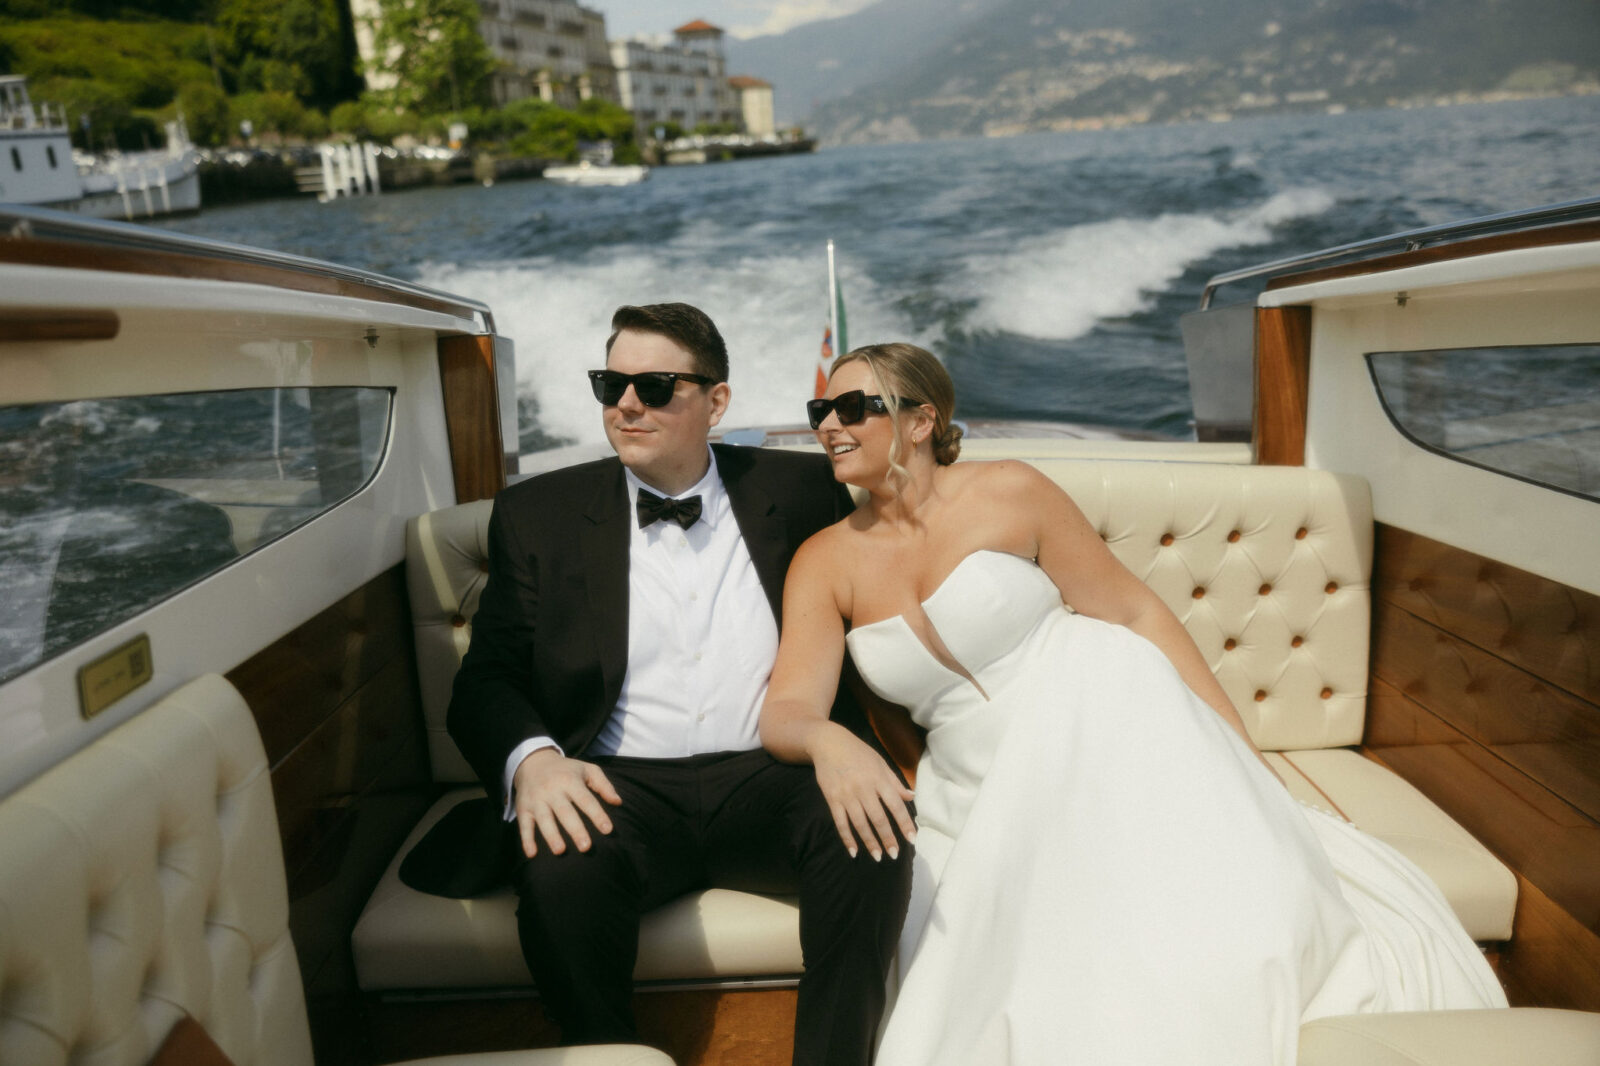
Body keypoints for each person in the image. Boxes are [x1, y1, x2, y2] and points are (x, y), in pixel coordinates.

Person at [759, 342, 1507, 1065]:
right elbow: (788, 708)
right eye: (821, 406)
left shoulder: (1010, 490)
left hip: (1099, 702)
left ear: (921, 421)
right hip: (967, 780)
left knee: (1178, 933)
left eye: (853, 406)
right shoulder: (825, 560)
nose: (829, 423)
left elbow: (1135, 614)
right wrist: (831, 743)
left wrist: (1235, 747)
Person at [441, 304, 912, 1065]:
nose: (626, 405)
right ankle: (606, 1055)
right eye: (611, 384)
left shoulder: (805, 490)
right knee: (559, 868)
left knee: (871, 839)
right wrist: (535, 761)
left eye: (656, 386)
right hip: (619, 788)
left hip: (771, 773)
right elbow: (486, 680)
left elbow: (915, 533)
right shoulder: (538, 514)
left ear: (715, 402)